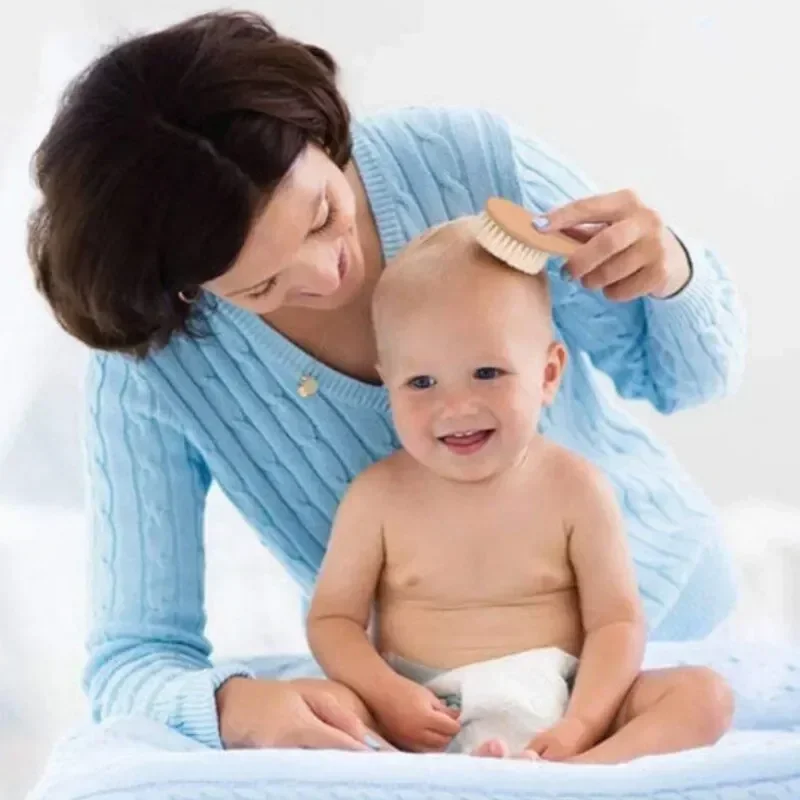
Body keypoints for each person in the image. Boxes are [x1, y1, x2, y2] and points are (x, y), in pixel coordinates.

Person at [25, 10, 745, 753]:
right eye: (260, 286)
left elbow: (686, 379)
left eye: (321, 215)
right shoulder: (154, 364)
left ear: (319, 128)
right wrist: (234, 707)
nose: (326, 275)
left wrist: (672, 272)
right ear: (185, 290)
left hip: (668, 638)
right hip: (441, 713)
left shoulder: (464, 164)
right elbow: (131, 657)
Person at [307, 217, 733, 762]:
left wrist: (582, 723)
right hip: (423, 713)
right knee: (313, 705)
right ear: (387, 382)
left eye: (487, 372)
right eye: (421, 383)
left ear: (548, 373)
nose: (455, 407)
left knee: (704, 697)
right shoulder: (376, 497)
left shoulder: (574, 487)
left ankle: (580, 772)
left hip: (560, 704)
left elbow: (616, 621)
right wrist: (388, 696)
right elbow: (333, 621)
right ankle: (426, 772)